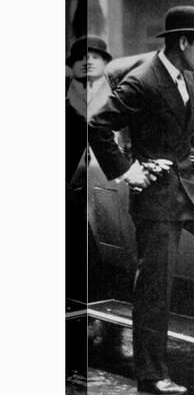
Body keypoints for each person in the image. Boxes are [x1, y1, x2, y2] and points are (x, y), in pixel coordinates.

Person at [88, 6, 194, 395]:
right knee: (155, 289)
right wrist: (128, 170)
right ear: (183, 43)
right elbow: (97, 125)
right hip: (157, 199)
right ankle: (151, 375)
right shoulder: (143, 81)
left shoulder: (186, 76)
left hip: (189, 190)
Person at [66, 36, 114, 302]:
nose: (88, 63)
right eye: (82, 58)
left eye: (95, 57)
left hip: (96, 183)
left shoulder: (115, 96)